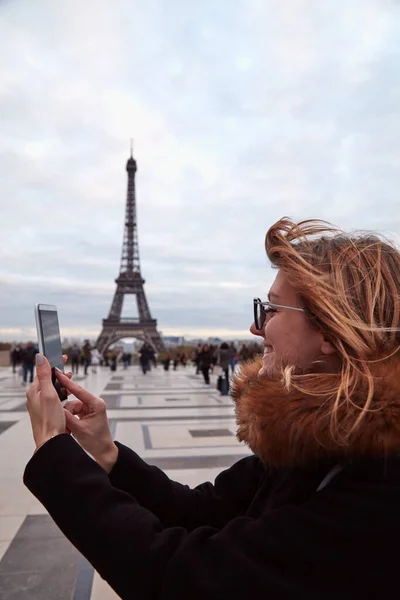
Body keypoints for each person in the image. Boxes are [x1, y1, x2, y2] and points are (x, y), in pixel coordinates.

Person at [23, 216, 400, 599]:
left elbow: (180, 578)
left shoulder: (377, 494)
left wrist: (56, 453)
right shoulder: (318, 438)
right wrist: (108, 453)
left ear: (330, 331)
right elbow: (201, 511)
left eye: (272, 309)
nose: (257, 328)